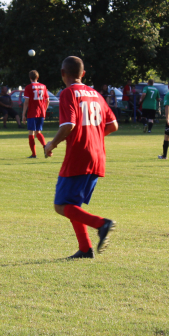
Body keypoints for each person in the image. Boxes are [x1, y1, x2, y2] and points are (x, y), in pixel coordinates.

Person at [44, 56, 117, 259]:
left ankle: (101, 224)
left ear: (62, 73)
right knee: (72, 205)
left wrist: (52, 143)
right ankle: (85, 249)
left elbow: (69, 125)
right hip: (97, 155)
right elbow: (113, 125)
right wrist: (93, 135)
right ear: (83, 74)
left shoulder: (68, 93)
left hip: (79, 155)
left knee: (61, 206)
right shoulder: (96, 94)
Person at [22, 70, 49, 158]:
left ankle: (34, 154)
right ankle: (45, 146)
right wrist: (44, 110)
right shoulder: (43, 86)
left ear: (30, 78)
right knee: (38, 132)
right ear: (38, 77)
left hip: (32, 112)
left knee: (31, 133)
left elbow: (26, 101)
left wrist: (23, 114)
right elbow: (47, 100)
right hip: (41, 112)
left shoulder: (28, 87)